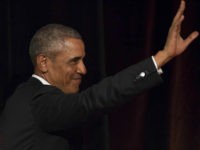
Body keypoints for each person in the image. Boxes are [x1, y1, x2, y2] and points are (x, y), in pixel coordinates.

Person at [0, 1, 199, 150]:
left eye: (83, 60)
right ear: (44, 62)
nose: (83, 70)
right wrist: (161, 57)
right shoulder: (39, 101)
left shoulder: (22, 97)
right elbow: (91, 101)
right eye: (74, 61)